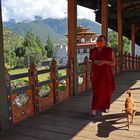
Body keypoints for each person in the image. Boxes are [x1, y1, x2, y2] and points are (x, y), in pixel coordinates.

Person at [89, 35, 116, 116]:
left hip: (106, 74)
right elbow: (93, 61)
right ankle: (93, 109)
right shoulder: (93, 51)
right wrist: (96, 62)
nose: (100, 41)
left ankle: (105, 107)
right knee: (96, 92)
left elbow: (113, 63)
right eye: (98, 40)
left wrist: (104, 62)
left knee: (107, 91)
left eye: (101, 40)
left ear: (105, 42)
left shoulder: (109, 51)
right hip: (97, 74)